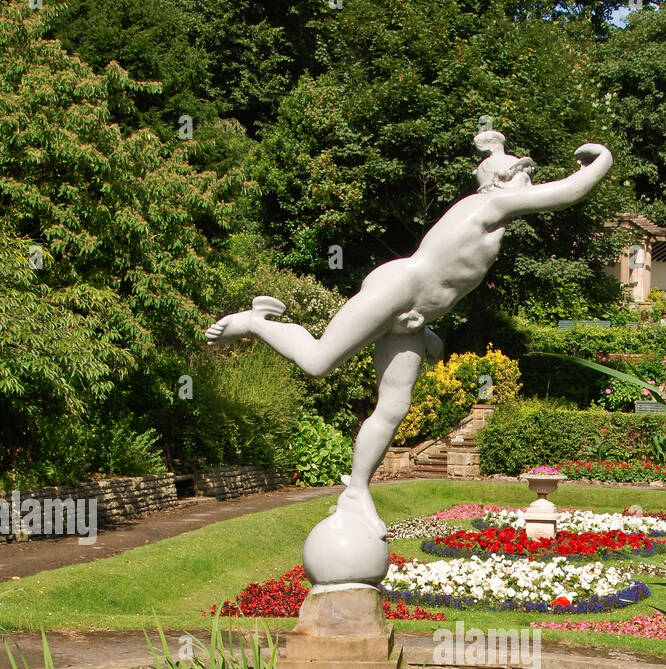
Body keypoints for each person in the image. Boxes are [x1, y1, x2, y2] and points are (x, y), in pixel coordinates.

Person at [206, 131, 613, 537]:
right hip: (396, 289)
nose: (530, 185)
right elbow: (568, 192)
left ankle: (357, 492)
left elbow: (448, 276)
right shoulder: (491, 202)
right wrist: (603, 160)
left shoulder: (493, 212)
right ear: (504, 181)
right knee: (317, 361)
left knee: (395, 406)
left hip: (414, 315)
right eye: (524, 176)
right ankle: (257, 321)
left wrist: (428, 327)